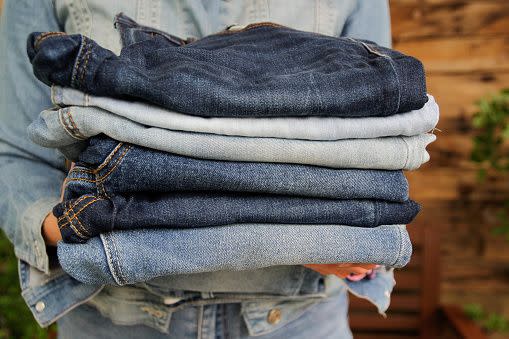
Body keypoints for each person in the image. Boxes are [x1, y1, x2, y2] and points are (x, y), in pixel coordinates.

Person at [0, 1, 392, 338]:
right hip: (116, 322)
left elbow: (377, 136)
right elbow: (15, 153)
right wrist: (78, 226)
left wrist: (339, 241)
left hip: (298, 322)